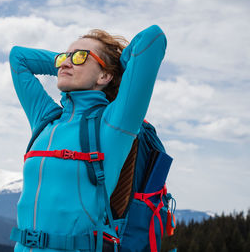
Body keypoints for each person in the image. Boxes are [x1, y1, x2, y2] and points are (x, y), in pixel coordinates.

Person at [9, 25, 167, 252]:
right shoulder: (45, 119)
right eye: (64, 57)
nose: (65, 62)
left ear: (105, 76)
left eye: (81, 56)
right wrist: (69, 63)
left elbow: (153, 39)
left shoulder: (114, 126)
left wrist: (115, 67)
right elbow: (18, 58)